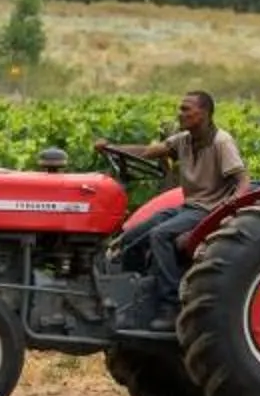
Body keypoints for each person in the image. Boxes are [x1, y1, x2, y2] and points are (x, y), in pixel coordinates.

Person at [99, 89, 247, 318]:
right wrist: (112, 148)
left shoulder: (221, 141)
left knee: (160, 235)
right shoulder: (183, 140)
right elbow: (148, 152)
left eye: (186, 109)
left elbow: (242, 179)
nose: (180, 114)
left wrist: (232, 204)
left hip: (208, 210)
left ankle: (169, 304)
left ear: (204, 113)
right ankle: (133, 294)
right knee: (132, 236)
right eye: (180, 108)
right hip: (188, 207)